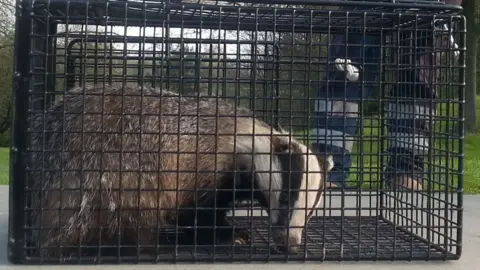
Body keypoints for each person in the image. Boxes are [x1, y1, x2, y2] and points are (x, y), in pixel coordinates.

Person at [312, 0, 463, 190]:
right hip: (360, 8)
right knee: (345, 72)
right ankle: (328, 168)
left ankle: (405, 169)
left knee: (418, 80)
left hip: (426, 6)